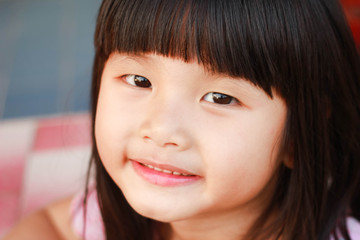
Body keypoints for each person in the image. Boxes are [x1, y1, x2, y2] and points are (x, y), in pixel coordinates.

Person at [4, 0, 360, 239]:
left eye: (221, 98)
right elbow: (50, 224)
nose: (160, 129)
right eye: (139, 81)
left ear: (300, 134)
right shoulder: (109, 220)